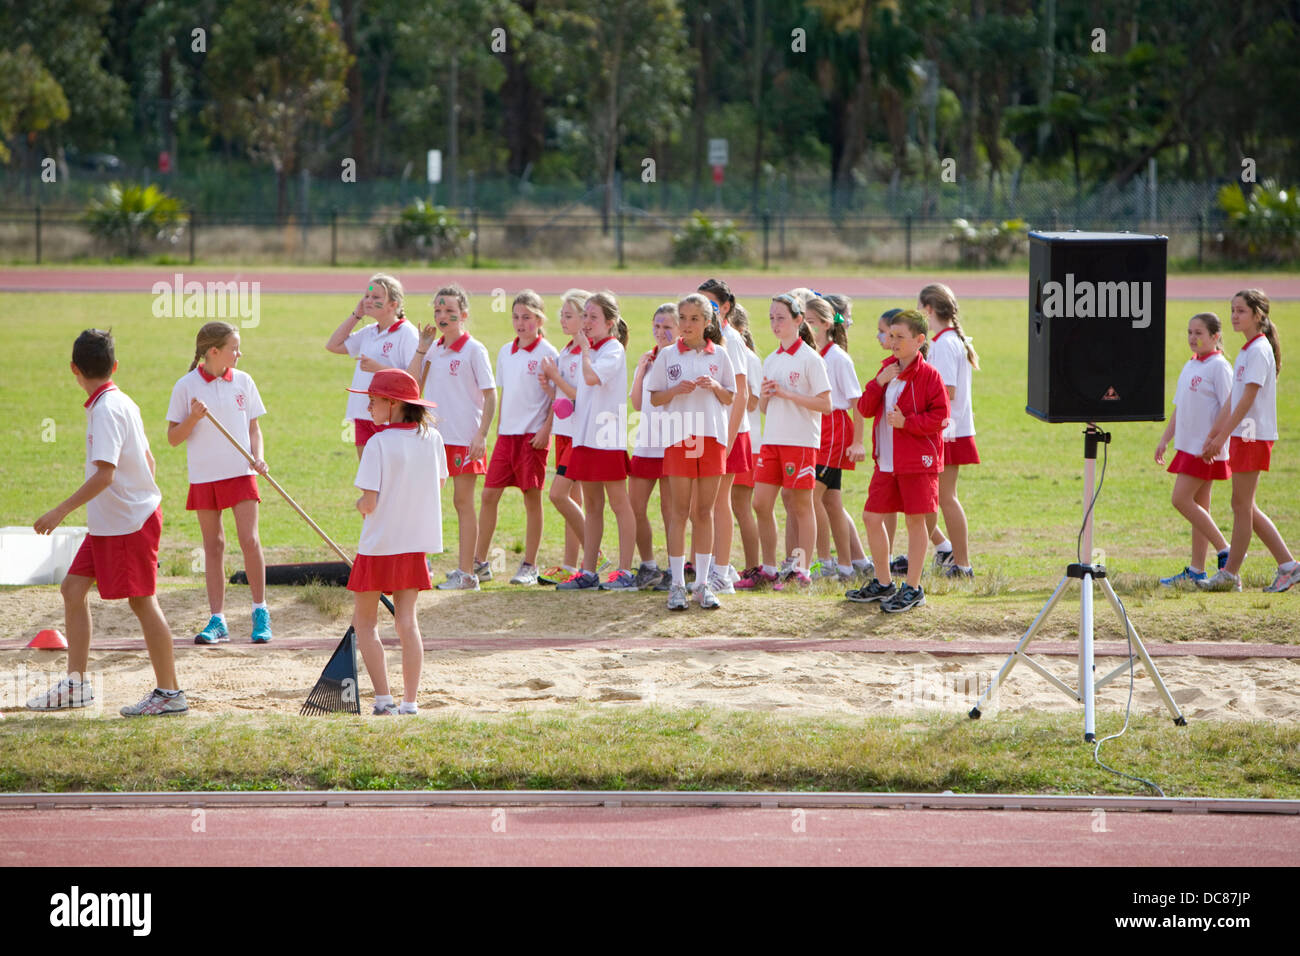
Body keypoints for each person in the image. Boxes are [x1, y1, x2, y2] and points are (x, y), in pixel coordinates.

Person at [29, 329, 187, 716]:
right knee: (72, 588)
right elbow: (149, 461)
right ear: (114, 366)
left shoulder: (105, 410)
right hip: (112, 522)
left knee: (142, 601)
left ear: (73, 370)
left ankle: (170, 694)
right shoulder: (122, 402)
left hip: (128, 524)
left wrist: (59, 511)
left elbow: (105, 475)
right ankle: (77, 684)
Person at [345, 369, 447, 715]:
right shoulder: (432, 437)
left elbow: (369, 502)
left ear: (393, 403)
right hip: (414, 544)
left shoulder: (377, 443)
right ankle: (410, 703)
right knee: (408, 621)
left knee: (366, 623)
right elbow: (440, 484)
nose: (369, 407)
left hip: (378, 546)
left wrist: (360, 505)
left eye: (373, 401)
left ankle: (384, 699)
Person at [166, 320, 272, 644]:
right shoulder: (185, 386)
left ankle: (260, 611)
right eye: (234, 348)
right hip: (204, 476)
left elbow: (254, 428)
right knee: (213, 546)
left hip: (241, 471)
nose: (240, 353)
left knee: (249, 540)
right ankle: (218, 619)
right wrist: (194, 418)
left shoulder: (243, 381)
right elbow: (173, 437)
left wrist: (258, 456)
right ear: (214, 352)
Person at [1198, 289, 1300, 593]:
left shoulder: (1258, 350)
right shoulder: (1246, 350)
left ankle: (1230, 574)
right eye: (1232, 310)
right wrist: (1215, 433)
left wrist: (1223, 437)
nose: (1234, 316)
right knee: (1244, 505)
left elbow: (1247, 401)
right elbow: (1233, 398)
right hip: (1245, 434)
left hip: (1253, 434)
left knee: (1241, 505)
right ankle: (1288, 566)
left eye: (1241, 311)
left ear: (1258, 315)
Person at [849, 309, 949, 613]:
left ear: (919, 340)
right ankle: (883, 582)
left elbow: (941, 417)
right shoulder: (887, 370)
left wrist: (908, 423)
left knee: (915, 522)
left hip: (918, 462)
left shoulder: (929, 375)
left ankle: (914, 588)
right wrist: (879, 382)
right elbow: (865, 409)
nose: (892, 342)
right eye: (890, 336)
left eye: (899, 337)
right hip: (887, 463)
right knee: (871, 516)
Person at [736, 292, 831, 590]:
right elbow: (764, 408)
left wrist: (788, 393)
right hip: (772, 440)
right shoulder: (772, 359)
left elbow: (826, 404)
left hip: (800, 441)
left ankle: (802, 569)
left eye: (781, 318)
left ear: (798, 321)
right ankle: (768, 567)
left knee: (801, 506)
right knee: (761, 503)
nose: (775, 324)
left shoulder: (810, 359)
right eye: (771, 318)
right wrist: (765, 396)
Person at [647, 293, 736, 610]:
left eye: (694, 318)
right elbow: (655, 397)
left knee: (704, 512)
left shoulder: (720, 356)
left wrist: (714, 387)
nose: (686, 324)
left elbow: (730, 397)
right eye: (682, 318)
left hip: (711, 437)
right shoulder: (668, 355)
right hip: (679, 438)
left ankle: (702, 584)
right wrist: (675, 390)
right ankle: (677, 585)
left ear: (707, 322)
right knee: (679, 511)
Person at [408, 284, 496, 590]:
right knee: (425, 500)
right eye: (438, 311)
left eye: (450, 312)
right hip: (432, 438)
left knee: (462, 502)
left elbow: (490, 395)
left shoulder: (475, 349)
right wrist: (421, 347)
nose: (443, 317)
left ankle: (467, 573)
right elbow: (411, 384)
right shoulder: (433, 348)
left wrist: (482, 435)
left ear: (464, 315)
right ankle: (423, 567)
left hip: (463, 437)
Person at [475, 291, 559, 585]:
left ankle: (530, 565)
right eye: (516, 317)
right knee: (488, 495)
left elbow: (557, 400)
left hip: (532, 438)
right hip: (505, 437)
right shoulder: (504, 352)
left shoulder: (548, 353)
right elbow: (503, 395)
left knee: (531, 499)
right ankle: (479, 563)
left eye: (527, 317)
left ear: (539, 319)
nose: (520, 323)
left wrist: (545, 430)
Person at [557, 291, 638, 591]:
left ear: (610, 322)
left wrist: (585, 352)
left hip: (607, 439)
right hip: (585, 437)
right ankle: (588, 571)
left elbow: (591, 379)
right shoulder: (589, 350)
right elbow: (585, 392)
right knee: (592, 505)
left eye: (593, 317)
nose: (587, 322)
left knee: (619, 504)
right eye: (586, 316)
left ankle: (625, 572)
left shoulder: (612, 349)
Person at [1154, 312, 1233, 586]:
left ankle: (1226, 550)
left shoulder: (1219, 367)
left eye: (1199, 333)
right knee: (1200, 507)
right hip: (1187, 447)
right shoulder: (1191, 365)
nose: (1193, 338)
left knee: (1180, 500)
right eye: (1189, 332)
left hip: (1205, 449)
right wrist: (1165, 439)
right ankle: (1197, 571)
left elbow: (1230, 406)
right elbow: (1180, 407)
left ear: (1215, 336)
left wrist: (1217, 440)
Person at [805, 294, 873, 582]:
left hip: (833, 431)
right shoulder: (814, 354)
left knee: (811, 497)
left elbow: (857, 403)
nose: (805, 327)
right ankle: (847, 566)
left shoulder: (838, 358)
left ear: (824, 324)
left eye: (810, 322)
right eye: (803, 322)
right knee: (832, 502)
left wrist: (858, 442)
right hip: (817, 428)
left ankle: (826, 563)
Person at [918, 282, 980, 578]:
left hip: (946, 430)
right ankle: (948, 555)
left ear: (929, 310)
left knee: (944, 497)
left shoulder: (944, 343)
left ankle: (961, 563)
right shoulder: (951, 339)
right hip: (951, 428)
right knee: (939, 497)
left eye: (920, 309)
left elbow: (947, 390)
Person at [697, 278, 753, 595]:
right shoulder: (707, 339)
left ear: (726, 307)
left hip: (729, 432)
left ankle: (721, 571)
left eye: (712, 304)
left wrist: (726, 440)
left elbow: (741, 393)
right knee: (703, 503)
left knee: (719, 501)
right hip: (711, 430)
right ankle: (715, 566)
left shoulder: (730, 339)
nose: (706, 310)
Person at [325, 274, 419, 459]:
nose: (368, 300)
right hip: (363, 412)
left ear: (393, 304)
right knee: (368, 476)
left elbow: (413, 380)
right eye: (366, 296)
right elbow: (333, 345)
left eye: (376, 297)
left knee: (388, 474)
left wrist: (379, 368)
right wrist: (357, 315)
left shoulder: (407, 333)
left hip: (389, 415)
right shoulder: (369, 332)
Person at [539, 289, 591, 582]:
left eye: (568, 315)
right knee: (573, 498)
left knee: (557, 494)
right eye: (562, 314)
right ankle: (571, 565)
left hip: (579, 436)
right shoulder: (567, 350)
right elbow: (566, 399)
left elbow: (582, 394)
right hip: (564, 431)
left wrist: (556, 378)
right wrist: (551, 388)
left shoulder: (586, 352)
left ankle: (593, 554)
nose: (562, 319)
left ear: (585, 319)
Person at [627, 303, 680, 590]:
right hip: (645, 444)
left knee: (671, 511)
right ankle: (648, 566)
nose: (661, 332)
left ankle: (675, 568)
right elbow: (636, 403)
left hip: (671, 444)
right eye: (657, 326)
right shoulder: (649, 357)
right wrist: (640, 372)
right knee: (634, 505)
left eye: (667, 327)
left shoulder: (679, 358)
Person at [726, 304, 764, 580]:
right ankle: (720, 562)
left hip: (746, 439)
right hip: (731, 434)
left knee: (740, 505)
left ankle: (753, 566)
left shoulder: (746, 357)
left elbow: (752, 401)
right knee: (722, 504)